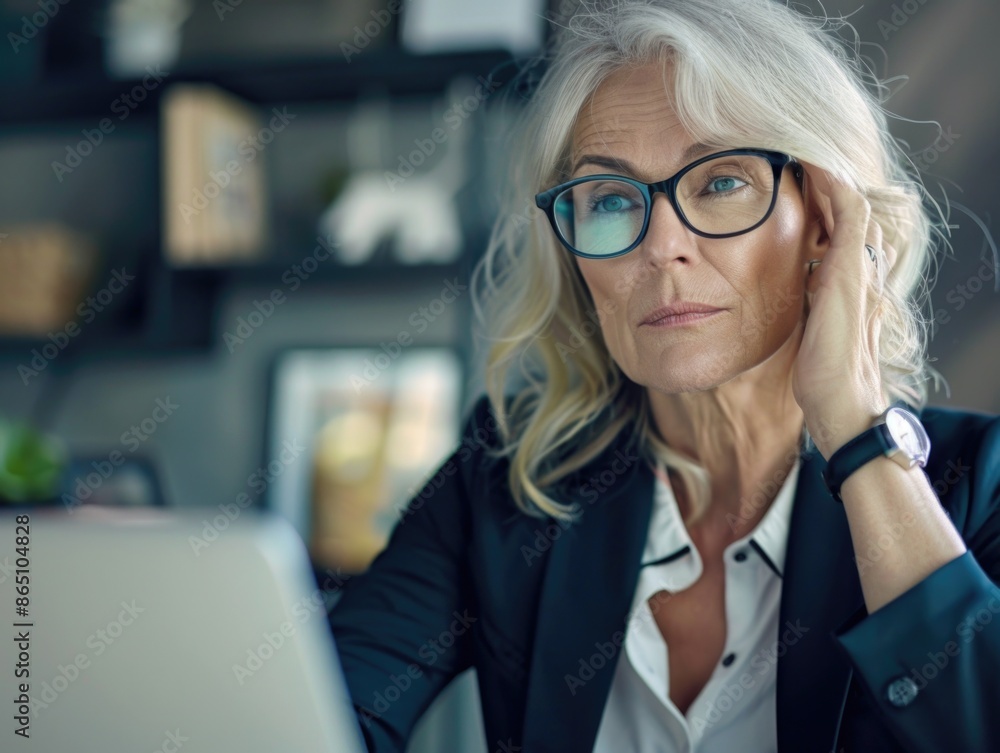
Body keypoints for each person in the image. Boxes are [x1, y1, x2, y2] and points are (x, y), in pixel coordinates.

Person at [328, 1, 1000, 751]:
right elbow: (319, 715)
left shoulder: (981, 489)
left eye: (720, 182)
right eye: (612, 200)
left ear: (827, 222)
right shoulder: (508, 478)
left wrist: (855, 428)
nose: (660, 247)